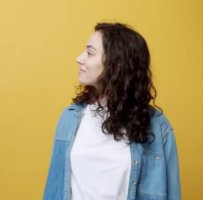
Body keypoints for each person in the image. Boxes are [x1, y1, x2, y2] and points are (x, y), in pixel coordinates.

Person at [43, 22, 181, 200]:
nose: (79, 58)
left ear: (116, 65)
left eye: (90, 53)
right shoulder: (70, 118)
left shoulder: (157, 126)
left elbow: (172, 194)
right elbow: (54, 188)